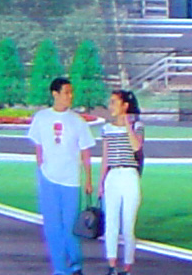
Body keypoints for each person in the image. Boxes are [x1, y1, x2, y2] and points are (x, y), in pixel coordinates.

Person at [28, 75, 96, 275]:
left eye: (71, 92)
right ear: (55, 94)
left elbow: (85, 152)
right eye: (66, 92)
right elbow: (38, 147)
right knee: (52, 227)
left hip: (71, 180)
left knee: (70, 226)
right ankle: (59, 268)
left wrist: (88, 179)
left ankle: (75, 265)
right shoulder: (41, 118)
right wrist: (42, 168)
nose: (70, 96)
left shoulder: (77, 121)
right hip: (48, 178)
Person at [99, 89, 144, 275]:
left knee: (128, 225)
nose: (111, 106)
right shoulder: (106, 129)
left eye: (114, 102)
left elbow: (136, 146)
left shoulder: (137, 125)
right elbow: (105, 157)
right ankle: (112, 265)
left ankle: (127, 265)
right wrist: (101, 182)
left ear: (124, 105)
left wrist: (127, 125)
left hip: (129, 174)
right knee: (111, 222)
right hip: (113, 175)